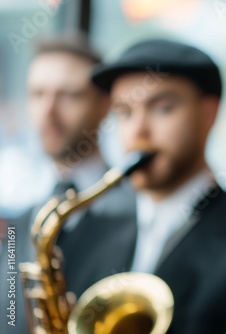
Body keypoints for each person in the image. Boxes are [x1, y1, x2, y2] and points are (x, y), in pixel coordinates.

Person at [90, 39, 226, 334]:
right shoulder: (93, 236)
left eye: (163, 108)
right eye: (124, 112)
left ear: (209, 113)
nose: (137, 131)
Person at [0, 34, 137, 334]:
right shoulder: (16, 211)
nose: (48, 110)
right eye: (37, 94)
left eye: (69, 95)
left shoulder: (141, 210)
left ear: (105, 104)